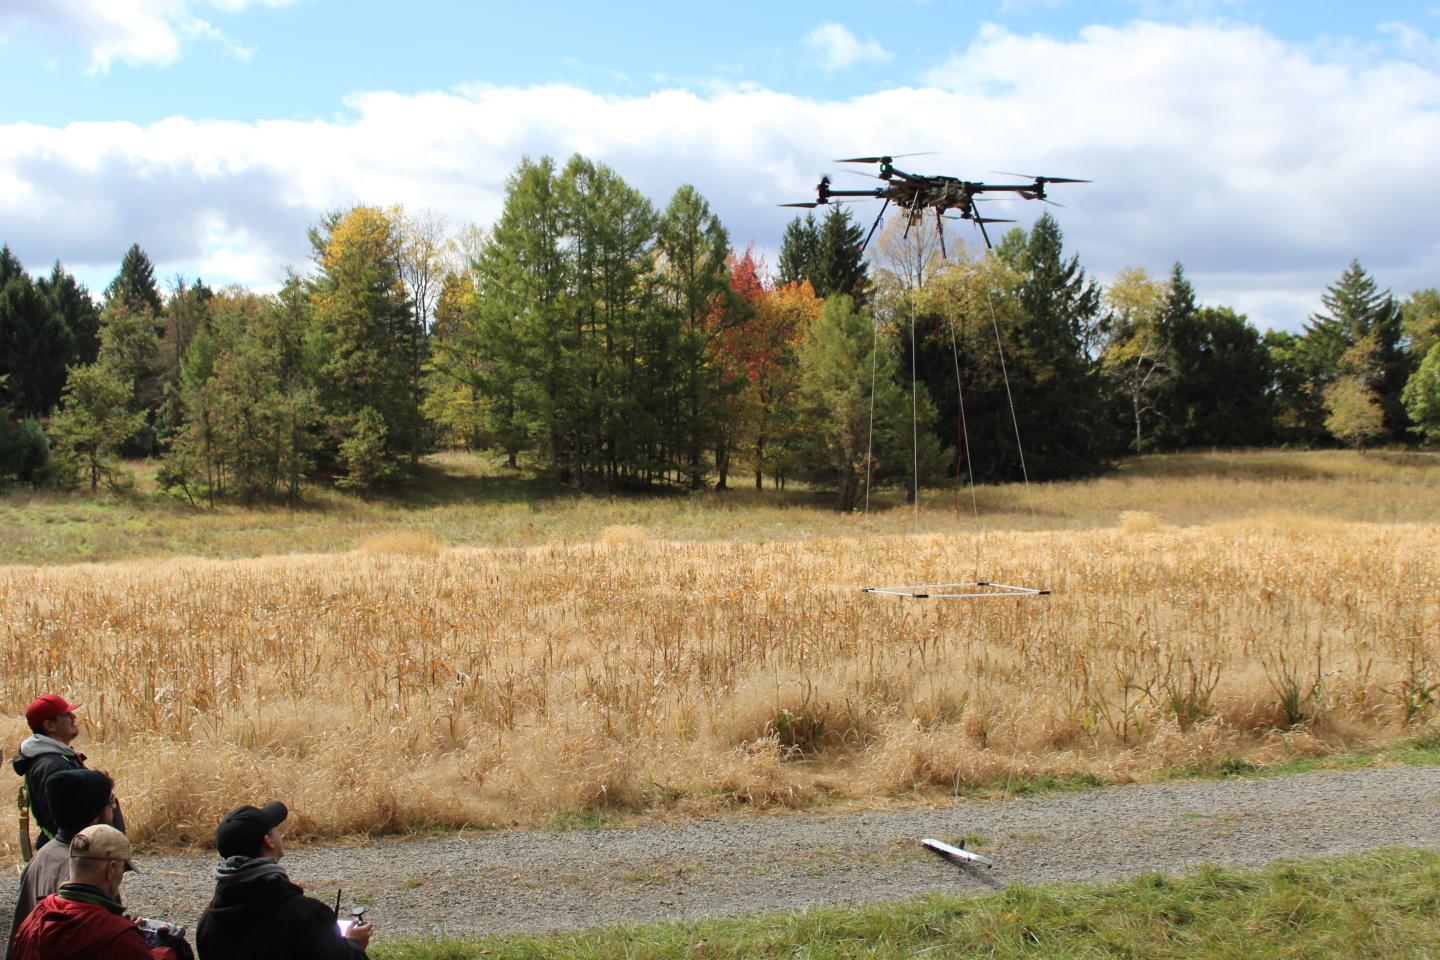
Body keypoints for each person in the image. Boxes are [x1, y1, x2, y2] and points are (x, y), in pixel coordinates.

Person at [195, 801, 373, 959]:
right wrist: (353, 944)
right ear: (269, 841)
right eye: (275, 828)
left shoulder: (208, 923)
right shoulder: (306, 915)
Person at [10, 824, 185, 960]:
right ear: (111, 869)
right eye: (123, 870)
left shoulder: (35, 917)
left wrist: (124, 927)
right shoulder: (117, 938)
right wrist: (167, 949)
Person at [7, 769, 118, 951]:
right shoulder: (85, 869)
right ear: (94, 816)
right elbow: (98, 946)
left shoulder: (44, 854)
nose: (113, 811)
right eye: (110, 804)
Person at [12, 693, 125, 848]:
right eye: (66, 714)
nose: (73, 716)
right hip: (74, 855)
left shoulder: (56, 758)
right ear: (49, 725)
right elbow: (61, 822)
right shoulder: (52, 766)